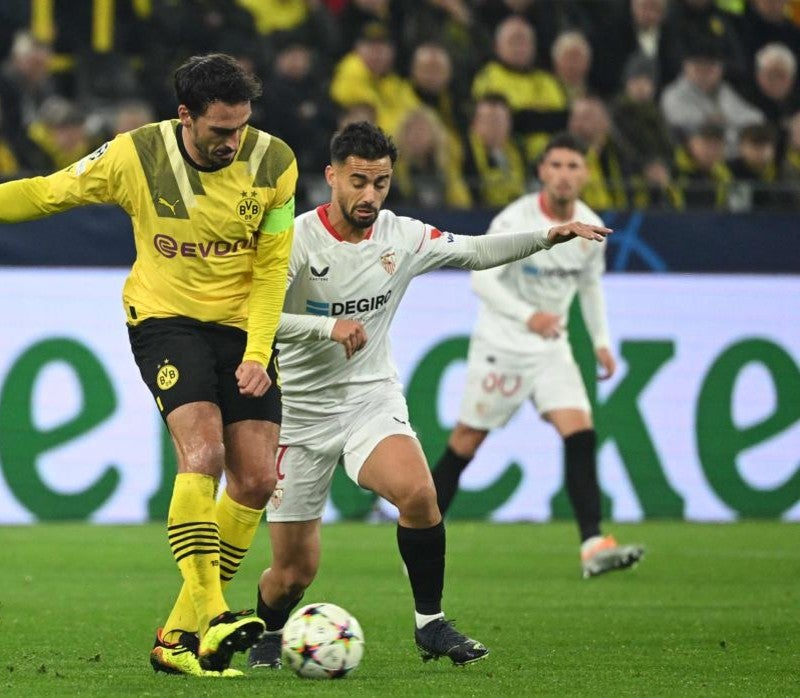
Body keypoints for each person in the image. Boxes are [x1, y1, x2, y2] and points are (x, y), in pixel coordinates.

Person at [0, 53, 298, 678]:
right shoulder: (135, 156)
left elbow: (271, 270)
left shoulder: (277, 164)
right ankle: (214, 614)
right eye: (218, 130)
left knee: (258, 481)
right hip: (166, 320)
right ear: (184, 117)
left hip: (242, 329)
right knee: (203, 457)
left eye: (240, 127)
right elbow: (44, 194)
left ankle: (175, 640)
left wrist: (260, 353)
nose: (232, 142)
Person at [243, 122, 612, 670]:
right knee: (294, 573)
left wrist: (546, 236)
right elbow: (260, 316)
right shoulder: (295, 239)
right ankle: (269, 632)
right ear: (331, 177)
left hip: (370, 397)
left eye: (382, 183)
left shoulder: (402, 236)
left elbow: (475, 251)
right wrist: (328, 329)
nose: (370, 196)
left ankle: (430, 624)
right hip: (298, 415)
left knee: (418, 495)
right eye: (359, 182)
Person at [430, 134, 646, 580]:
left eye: (574, 166)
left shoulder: (590, 226)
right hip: (503, 344)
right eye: (557, 165)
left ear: (585, 174)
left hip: (551, 348)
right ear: (543, 172)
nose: (565, 174)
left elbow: (590, 286)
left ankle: (592, 543)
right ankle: (417, 528)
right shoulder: (515, 219)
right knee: (466, 441)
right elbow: (480, 280)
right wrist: (529, 317)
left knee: (580, 431)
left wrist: (602, 341)